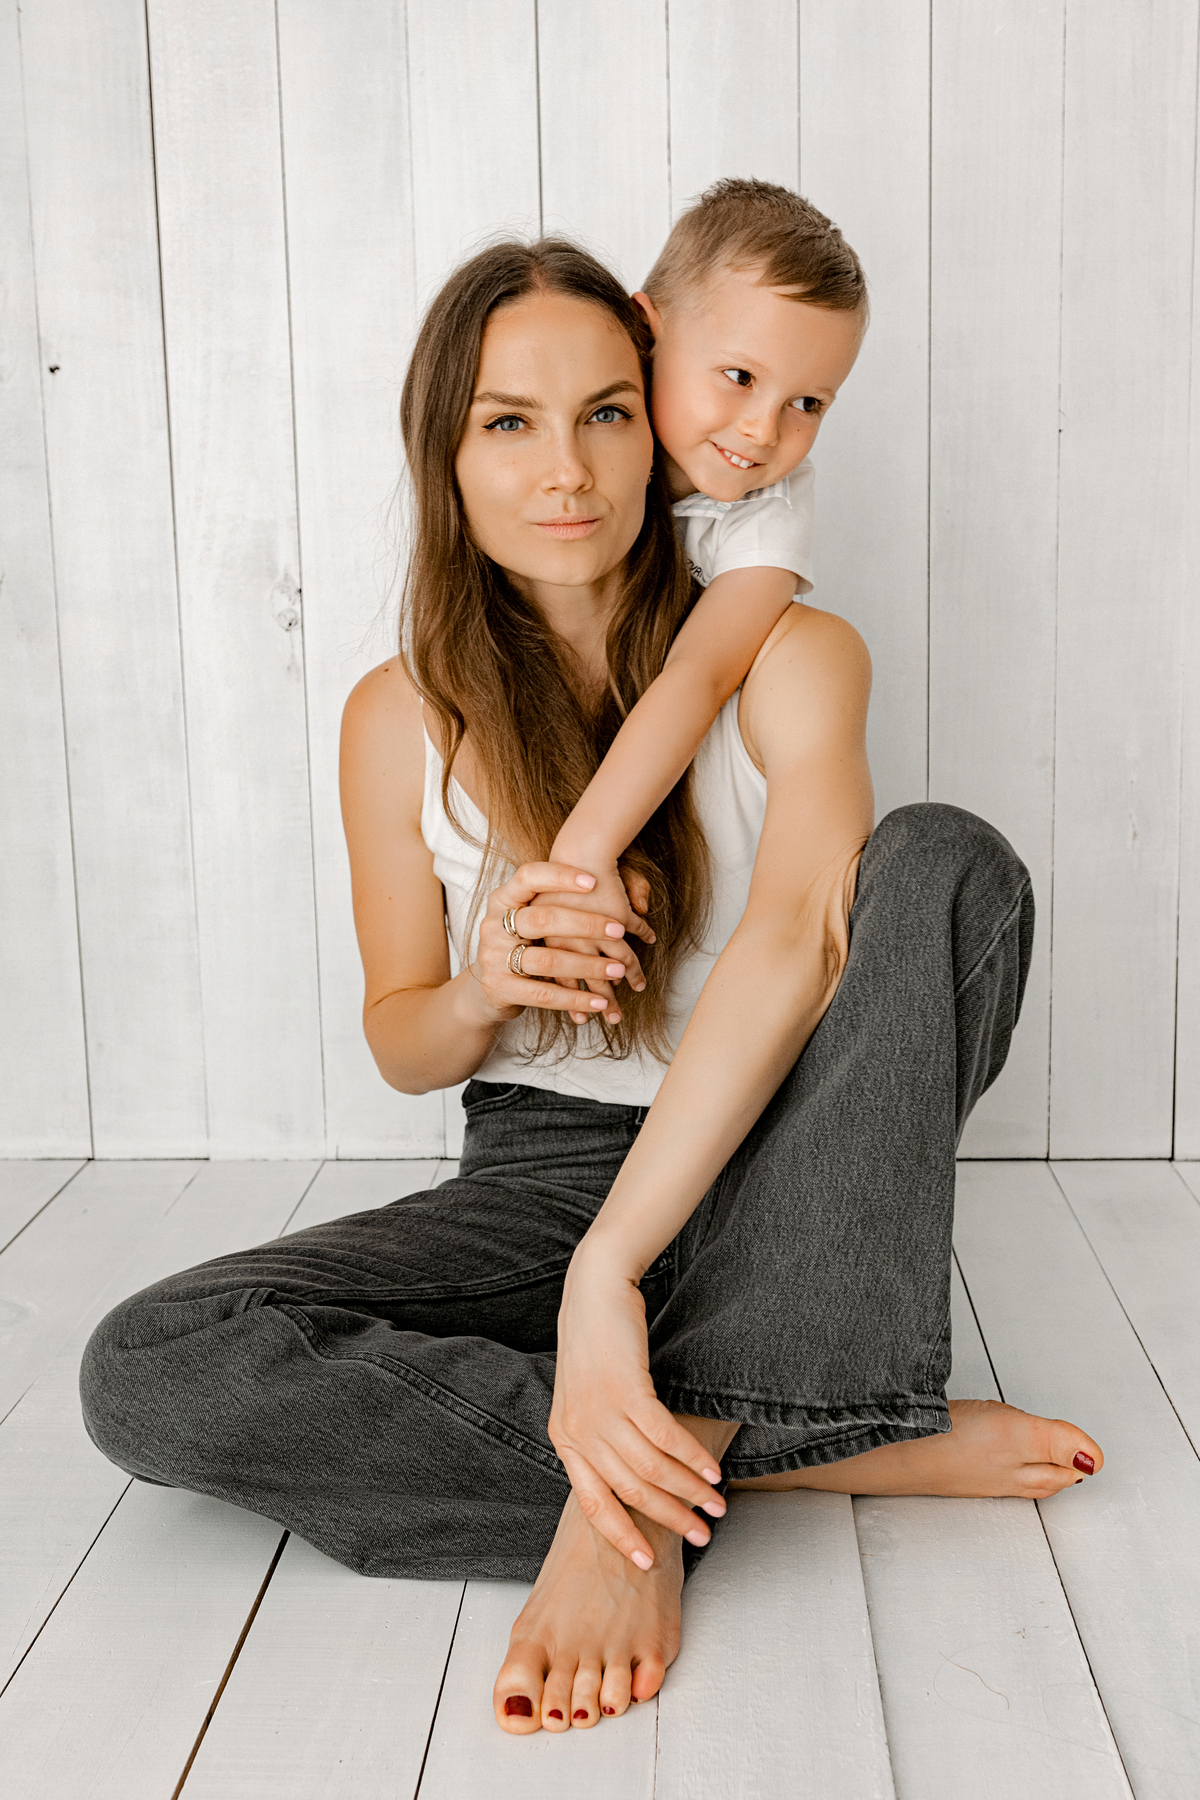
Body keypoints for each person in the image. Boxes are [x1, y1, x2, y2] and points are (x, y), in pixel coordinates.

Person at [79, 237, 1102, 1740]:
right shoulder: (396, 713)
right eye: (509, 421)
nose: (566, 469)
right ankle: (773, 1439)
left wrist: (610, 1272)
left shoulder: (794, 654)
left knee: (951, 863)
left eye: (607, 414)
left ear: (661, 411)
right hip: (541, 1168)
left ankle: (665, 1426)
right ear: (447, 447)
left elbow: (795, 949)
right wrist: (488, 985)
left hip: (773, 1153)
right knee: (147, 1370)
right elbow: (404, 1042)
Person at [546, 180, 865, 1005]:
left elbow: (703, 671)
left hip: (694, 771)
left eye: (807, 403)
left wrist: (584, 852)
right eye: (738, 375)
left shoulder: (769, 507)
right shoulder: (579, 450)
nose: (764, 430)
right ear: (644, 333)